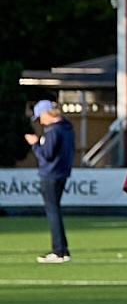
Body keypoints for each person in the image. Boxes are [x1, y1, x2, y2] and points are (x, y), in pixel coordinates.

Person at [30, 96, 75, 261]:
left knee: (53, 212)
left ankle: (59, 250)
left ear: (47, 113)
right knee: (54, 210)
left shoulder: (53, 130)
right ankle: (61, 249)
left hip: (51, 174)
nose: (41, 121)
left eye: (41, 117)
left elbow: (46, 154)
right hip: (62, 172)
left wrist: (35, 144)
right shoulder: (67, 128)